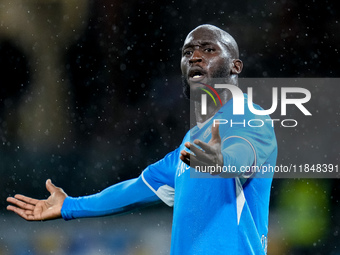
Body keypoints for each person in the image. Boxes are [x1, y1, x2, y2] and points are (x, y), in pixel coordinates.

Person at [7, 24, 277, 255]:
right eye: (187, 52)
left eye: (209, 50)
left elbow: (242, 155)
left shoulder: (250, 116)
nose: (195, 56)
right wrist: (70, 206)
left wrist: (221, 161)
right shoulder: (191, 144)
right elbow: (136, 189)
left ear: (235, 65)